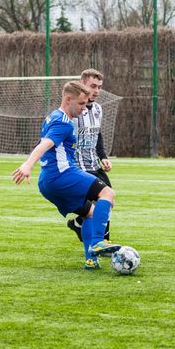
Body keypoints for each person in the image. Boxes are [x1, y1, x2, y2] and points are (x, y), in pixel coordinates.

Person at [12, 81, 121, 269]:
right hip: (62, 175)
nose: (84, 108)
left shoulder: (52, 116)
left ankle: (91, 260)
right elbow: (45, 144)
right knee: (108, 194)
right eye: (81, 104)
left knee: (90, 213)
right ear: (68, 99)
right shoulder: (64, 123)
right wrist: (28, 164)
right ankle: (98, 242)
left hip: (46, 182)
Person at [67, 69, 114, 243]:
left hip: (94, 165)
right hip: (78, 167)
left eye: (99, 87)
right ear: (82, 84)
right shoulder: (73, 111)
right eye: (93, 86)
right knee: (98, 203)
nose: (96, 91)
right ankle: (101, 242)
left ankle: (79, 224)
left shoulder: (98, 109)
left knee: (108, 202)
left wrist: (103, 156)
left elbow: (97, 135)